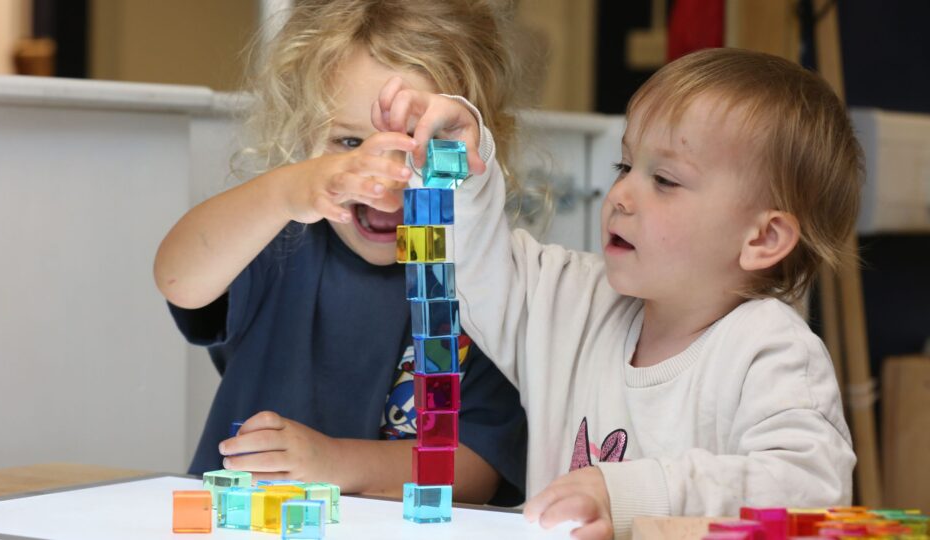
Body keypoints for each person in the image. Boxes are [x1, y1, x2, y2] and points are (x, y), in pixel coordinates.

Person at [375, 47, 861, 537]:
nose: (621, 196)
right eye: (624, 166)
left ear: (762, 239)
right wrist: (454, 161)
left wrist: (628, 493)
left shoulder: (773, 352)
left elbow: (812, 490)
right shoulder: (576, 302)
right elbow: (475, 267)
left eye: (665, 180)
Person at [152, 0, 528, 506]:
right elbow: (179, 278)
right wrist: (286, 192)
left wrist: (331, 464)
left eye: (419, 151)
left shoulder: (482, 282)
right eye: (350, 142)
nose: (382, 182)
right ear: (307, 137)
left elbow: (477, 467)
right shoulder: (279, 241)